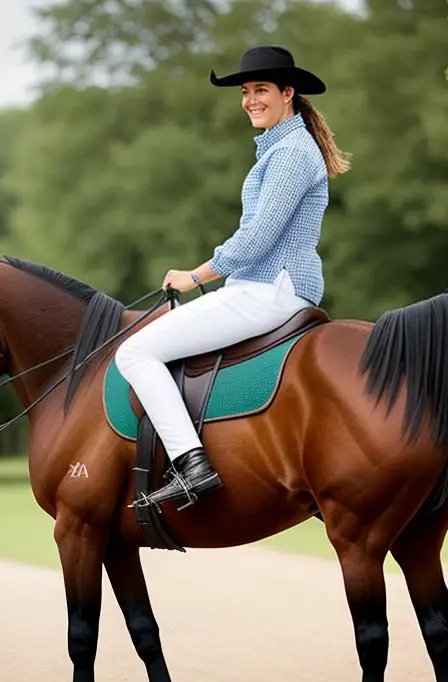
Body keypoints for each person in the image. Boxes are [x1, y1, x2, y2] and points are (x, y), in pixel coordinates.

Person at [114, 44, 350, 510]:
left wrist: (196, 275)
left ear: (288, 93)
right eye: (245, 91)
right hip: (265, 285)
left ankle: (192, 465)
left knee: (135, 350)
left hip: (269, 288)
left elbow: (258, 237)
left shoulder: (291, 155)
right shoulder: (283, 148)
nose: (250, 100)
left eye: (260, 89)